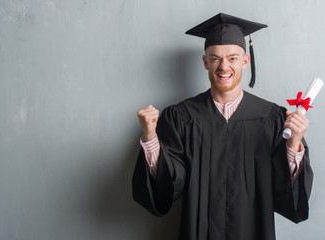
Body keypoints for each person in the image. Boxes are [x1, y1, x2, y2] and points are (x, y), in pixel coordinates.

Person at [132, 13, 313, 240]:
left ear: (245, 61)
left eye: (233, 58)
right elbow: (170, 184)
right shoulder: (181, 117)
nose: (223, 66)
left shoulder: (273, 118)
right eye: (215, 58)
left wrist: (294, 143)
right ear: (205, 61)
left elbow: (283, 188)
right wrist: (150, 137)